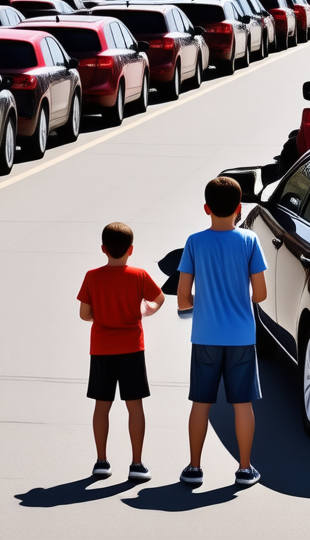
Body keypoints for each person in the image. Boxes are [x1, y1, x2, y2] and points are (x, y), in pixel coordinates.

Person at [176, 177, 269, 488]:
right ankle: (244, 468)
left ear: (206, 208)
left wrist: (202, 301)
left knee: (200, 403)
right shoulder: (249, 241)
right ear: (239, 208)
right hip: (241, 336)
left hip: (205, 335)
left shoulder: (194, 242)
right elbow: (261, 294)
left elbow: (183, 299)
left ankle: (194, 468)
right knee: (243, 404)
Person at [77, 222, 164, 482]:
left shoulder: (92, 277)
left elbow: (84, 314)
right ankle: (136, 463)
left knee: (101, 406)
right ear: (131, 249)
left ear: (103, 249)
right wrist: (146, 310)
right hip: (131, 348)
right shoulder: (139, 275)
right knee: (135, 406)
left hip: (102, 349)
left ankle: (101, 461)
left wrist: (100, 315)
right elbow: (159, 298)